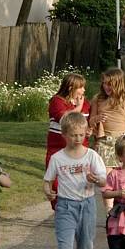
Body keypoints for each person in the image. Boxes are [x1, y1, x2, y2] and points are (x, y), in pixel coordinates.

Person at [43, 112, 107, 249]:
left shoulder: (91, 156)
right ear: (64, 135)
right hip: (65, 206)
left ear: (85, 133)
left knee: (86, 246)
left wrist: (96, 179)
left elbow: (103, 181)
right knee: (64, 246)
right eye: (73, 135)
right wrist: (48, 192)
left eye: (81, 135)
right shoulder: (57, 158)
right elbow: (48, 180)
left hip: (87, 205)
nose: (77, 139)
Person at [90, 67, 125, 211]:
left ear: (119, 83)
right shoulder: (98, 99)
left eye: (110, 84)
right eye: (104, 83)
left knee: (123, 179)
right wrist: (96, 119)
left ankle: (122, 208)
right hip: (104, 142)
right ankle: (109, 212)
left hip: (121, 142)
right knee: (107, 179)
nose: (106, 87)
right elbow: (90, 122)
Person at [46, 73, 91, 210]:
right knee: (56, 182)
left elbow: (86, 123)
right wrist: (78, 107)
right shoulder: (57, 101)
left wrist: (89, 130)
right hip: (57, 148)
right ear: (71, 87)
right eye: (81, 87)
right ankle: (59, 209)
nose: (83, 91)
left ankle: (75, 209)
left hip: (79, 150)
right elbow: (65, 120)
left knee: (77, 179)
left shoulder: (86, 104)